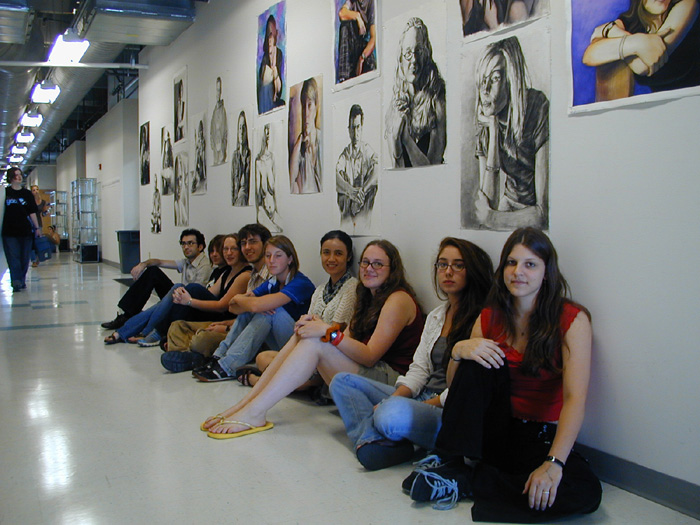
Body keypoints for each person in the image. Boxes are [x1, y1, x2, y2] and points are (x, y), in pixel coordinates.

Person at [403, 228, 601, 522]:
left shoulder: (572, 319)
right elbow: (458, 387)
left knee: (585, 492)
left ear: (546, 272)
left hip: (538, 436)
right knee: (474, 358)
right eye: (511, 263)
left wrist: (554, 463)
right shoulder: (490, 316)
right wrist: (458, 350)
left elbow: (575, 399)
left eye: (530, 264)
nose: (518, 272)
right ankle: (451, 462)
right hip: (493, 430)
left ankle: (470, 482)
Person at [201, 239, 425, 440]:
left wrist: (327, 331)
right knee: (304, 333)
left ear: (392, 269)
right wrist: (317, 327)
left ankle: (255, 412)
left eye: (378, 264)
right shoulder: (365, 295)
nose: (369, 269)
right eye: (365, 262)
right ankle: (246, 404)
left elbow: (369, 356)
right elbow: (347, 340)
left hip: (392, 381)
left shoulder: (397, 299)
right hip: (364, 372)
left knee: (313, 340)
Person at [330, 237, 493, 470]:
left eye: (458, 265)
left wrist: (413, 404)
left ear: (472, 271)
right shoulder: (437, 315)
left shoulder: (482, 320)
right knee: (342, 383)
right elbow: (419, 369)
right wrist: (397, 397)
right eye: (442, 264)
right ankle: (376, 441)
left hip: (447, 410)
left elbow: (466, 389)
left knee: (389, 413)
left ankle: (384, 439)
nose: (448, 272)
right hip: (420, 397)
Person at [239, 230, 359, 388]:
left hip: (328, 356)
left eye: (338, 253)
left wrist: (315, 330)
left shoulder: (352, 287)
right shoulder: (320, 290)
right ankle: (286, 379)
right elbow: (304, 326)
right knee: (262, 358)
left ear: (348, 257)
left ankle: (258, 381)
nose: (331, 259)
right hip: (307, 350)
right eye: (326, 253)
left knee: (275, 314)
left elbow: (336, 331)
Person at [193, 235, 315, 382]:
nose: (271, 260)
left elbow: (254, 304)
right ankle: (218, 356)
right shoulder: (273, 281)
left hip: (299, 344)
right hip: (279, 342)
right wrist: (244, 302)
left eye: (278, 256)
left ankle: (228, 367)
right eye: (268, 256)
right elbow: (233, 308)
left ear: (290, 259)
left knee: (272, 312)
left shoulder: (300, 283)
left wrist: (244, 301)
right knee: (252, 311)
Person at [104, 233, 251, 346]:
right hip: (191, 303)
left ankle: (150, 331)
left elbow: (220, 305)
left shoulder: (236, 273)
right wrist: (144, 264)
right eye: (225, 249)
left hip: (213, 314)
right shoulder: (225, 272)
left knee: (184, 290)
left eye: (233, 249)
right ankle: (132, 328)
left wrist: (189, 301)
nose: (227, 253)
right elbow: (210, 293)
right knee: (162, 284)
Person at [162, 223, 272, 372]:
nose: (247, 247)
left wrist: (225, 325)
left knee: (201, 339)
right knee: (177, 326)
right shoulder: (251, 275)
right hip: (234, 323)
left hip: (248, 332)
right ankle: (189, 355)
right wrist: (224, 323)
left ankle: (187, 353)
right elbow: (238, 310)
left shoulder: (257, 275)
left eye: (252, 242)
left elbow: (255, 318)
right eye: (243, 243)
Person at [473, 36, 549, 230]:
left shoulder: (537, 107)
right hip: (508, 203)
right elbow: (487, 203)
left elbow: (543, 213)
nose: (485, 90)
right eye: (483, 80)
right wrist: (493, 130)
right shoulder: (488, 122)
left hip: (531, 212)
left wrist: (493, 219)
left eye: (495, 78)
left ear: (510, 81)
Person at [582, 0, 700, 97]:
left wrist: (611, 31)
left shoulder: (688, 4)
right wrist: (637, 42)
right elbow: (589, 56)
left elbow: (643, 66)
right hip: (658, 109)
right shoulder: (630, 23)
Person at [101, 229, 212, 330]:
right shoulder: (186, 262)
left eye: (190, 243)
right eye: (183, 244)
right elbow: (159, 262)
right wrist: (143, 264)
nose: (186, 247)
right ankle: (127, 315)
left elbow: (196, 294)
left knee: (174, 289)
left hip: (189, 305)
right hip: (179, 297)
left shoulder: (204, 266)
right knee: (153, 271)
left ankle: (130, 318)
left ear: (200, 247)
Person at [385, 17, 446, 168]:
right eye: (408, 53)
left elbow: (433, 168)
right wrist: (395, 141)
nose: (414, 60)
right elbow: (397, 168)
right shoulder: (394, 108)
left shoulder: (436, 100)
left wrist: (406, 138)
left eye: (418, 51)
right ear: (401, 59)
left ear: (426, 54)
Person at [336, 104, 378, 231]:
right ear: (348, 130)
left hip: (364, 218)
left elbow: (377, 172)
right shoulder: (345, 154)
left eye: (358, 127)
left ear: (362, 128)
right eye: (352, 128)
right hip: (347, 220)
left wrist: (361, 192)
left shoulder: (367, 150)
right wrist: (350, 191)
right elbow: (335, 176)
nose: (355, 133)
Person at [2, 168, 41, 292]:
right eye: (16, 175)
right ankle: (16, 281)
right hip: (9, 231)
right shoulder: (5, 193)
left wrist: (37, 228)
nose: (19, 177)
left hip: (25, 231)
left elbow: (32, 212)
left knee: (24, 258)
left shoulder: (27, 194)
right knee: (13, 257)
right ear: (10, 177)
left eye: (20, 174)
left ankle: (21, 279)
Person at [289, 77, 322, 194]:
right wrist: (298, 145)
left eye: (309, 105)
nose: (306, 113)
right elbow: (290, 186)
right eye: (303, 106)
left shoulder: (321, 140)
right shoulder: (299, 146)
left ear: (316, 107)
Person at [337, 0, 377, 82]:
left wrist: (362, 58)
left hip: (364, 48)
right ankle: (343, 76)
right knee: (345, 25)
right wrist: (357, 16)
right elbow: (342, 13)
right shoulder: (352, 1)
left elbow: (374, 38)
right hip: (352, 46)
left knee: (371, 68)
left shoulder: (371, 3)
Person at [255, 124, 282, 231]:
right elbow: (258, 193)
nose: (268, 137)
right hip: (264, 212)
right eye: (266, 133)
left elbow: (274, 188)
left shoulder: (272, 158)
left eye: (269, 134)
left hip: (273, 211)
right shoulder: (258, 162)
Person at [258, 14, 285, 114]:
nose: (269, 40)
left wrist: (275, 73)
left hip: (275, 99)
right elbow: (263, 80)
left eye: (271, 36)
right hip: (266, 98)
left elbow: (279, 90)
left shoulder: (279, 54)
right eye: (268, 36)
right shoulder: (265, 58)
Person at [231, 111, 251, 206]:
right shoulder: (235, 156)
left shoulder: (249, 155)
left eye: (243, 128)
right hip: (237, 202)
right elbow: (232, 186)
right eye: (239, 128)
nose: (241, 132)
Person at [29, 184, 50, 268]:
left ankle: (38, 258)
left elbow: (44, 213)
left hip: (39, 223)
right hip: (30, 223)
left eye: (37, 189)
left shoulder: (43, 202)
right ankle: (33, 259)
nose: (36, 191)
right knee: (31, 242)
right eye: (34, 190)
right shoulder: (29, 201)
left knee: (38, 241)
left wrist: (47, 211)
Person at [210, 76, 228, 164]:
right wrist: (213, 145)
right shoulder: (214, 112)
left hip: (221, 151)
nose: (218, 93)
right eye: (216, 90)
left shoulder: (223, 111)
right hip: (215, 153)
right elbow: (211, 132)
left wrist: (223, 147)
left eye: (219, 90)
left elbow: (225, 132)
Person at [192, 119, 206, 193]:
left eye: (201, 132)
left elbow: (202, 152)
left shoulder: (202, 141)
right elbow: (196, 150)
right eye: (199, 132)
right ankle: (195, 178)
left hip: (201, 161)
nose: (200, 133)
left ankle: (197, 176)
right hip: (198, 161)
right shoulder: (198, 142)